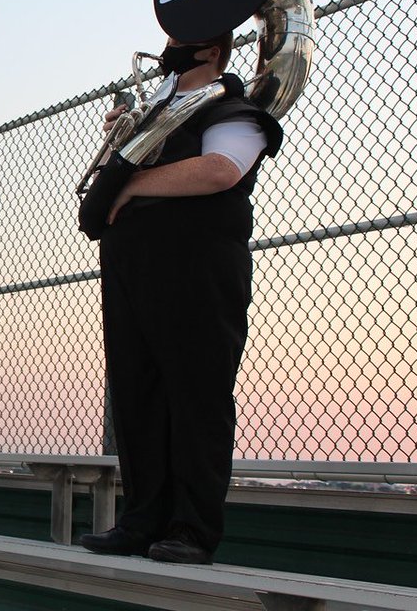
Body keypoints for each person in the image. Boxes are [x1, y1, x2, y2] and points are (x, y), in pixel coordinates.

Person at [79, 32, 282, 564]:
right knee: (136, 392)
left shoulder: (234, 107)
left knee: (196, 394)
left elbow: (220, 169)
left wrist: (130, 182)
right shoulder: (154, 112)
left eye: (179, 40)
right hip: (133, 266)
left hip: (196, 267)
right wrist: (124, 144)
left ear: (212, 51)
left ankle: (191, 529)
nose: (167, 48)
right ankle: (141, 520)